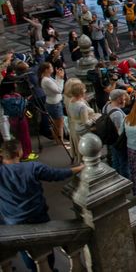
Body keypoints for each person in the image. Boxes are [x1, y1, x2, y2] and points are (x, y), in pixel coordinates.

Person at [0, 139, 84, 271]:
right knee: (45, 247)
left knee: (25, 252)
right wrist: (80, 168)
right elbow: (57, 174)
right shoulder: (32, 167)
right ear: (19, 152)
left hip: (14, 222)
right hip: (38, 217)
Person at [102, 89, 129, 178]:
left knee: (115, 160)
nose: (125, 99)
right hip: (118, 142)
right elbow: (119, 131)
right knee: (123, 162)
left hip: (110, 139)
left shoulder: (106, 106)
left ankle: (116, 178)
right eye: (123, 97)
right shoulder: (117, 113)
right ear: (118, 99)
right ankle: (125, 180)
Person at [39, 62, 66, 146]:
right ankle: (60, 142)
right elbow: (58, 90)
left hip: (53, 103)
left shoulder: (47, 78)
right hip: (54, 104)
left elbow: (55, 85)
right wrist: (61, 78)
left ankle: (58, 140)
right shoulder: (46, 80)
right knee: (59, 124)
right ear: (46, 69)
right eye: (51, 67)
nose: (52, 68)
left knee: (56, 123)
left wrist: (58, 76)